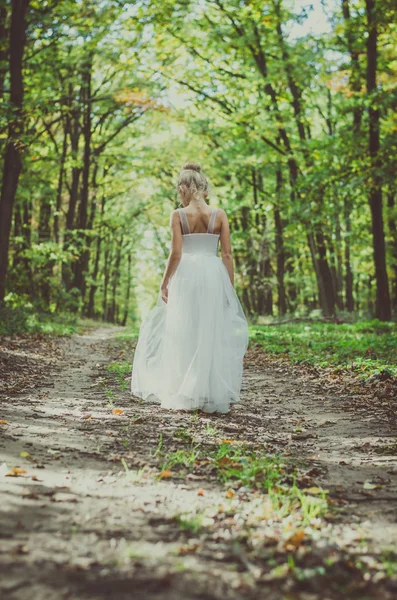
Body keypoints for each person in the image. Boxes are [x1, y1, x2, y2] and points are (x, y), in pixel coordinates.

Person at [130, 161, 248, 413]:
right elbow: (227, 255)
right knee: (210, 329)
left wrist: (164, 283)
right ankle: (207, 391)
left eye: (179, 191)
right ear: (204, 189)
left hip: (186, 276)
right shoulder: (220, 214)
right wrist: (230, 287)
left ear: (184, 188)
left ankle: (186, 390)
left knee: (184, 331)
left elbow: (176, 254)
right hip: (213, 274)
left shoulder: (178, 215)